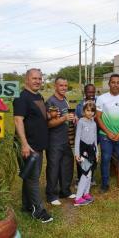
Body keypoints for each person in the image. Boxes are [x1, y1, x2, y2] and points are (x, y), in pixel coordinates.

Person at [13, 68, 53, 223]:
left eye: (39, 78)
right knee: (33, 178)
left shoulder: (38, 96)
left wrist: (49, 115)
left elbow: (38, 116)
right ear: (26, 80)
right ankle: (38, 210)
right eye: (34, 78)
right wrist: (24, 144)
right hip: (28, 146)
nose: (37, 81)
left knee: (29, 176)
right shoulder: (22, 97)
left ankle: (27, 205)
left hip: (38, 145)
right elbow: (18, 120)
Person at [45, 77, 76, 205]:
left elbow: (66, 116)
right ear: (55, 86)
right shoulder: (51, 102)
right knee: (54, 167)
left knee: (67, 166)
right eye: (61, 85)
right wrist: (64, 118)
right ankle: (51, 195)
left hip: (66, 139)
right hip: (54, 141)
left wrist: (74, 118)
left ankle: (65, 191)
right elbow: (49, 124)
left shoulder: (64, 100)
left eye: (65, 85)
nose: (64, 88)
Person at [73, 101, 98, 206]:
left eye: (92, 111)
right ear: (84, 111)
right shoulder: (81, 122)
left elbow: (95, 139)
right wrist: (77, 153)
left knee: (90, 173)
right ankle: (78, 198)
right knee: (85, 173)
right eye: (88, 110)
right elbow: (77, 138)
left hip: (91, 150)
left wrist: (97, 152)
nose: (90, 113)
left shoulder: (94, 123)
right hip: (83, 151)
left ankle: (86, 193)